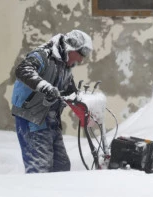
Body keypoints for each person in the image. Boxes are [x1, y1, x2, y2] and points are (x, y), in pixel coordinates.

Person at [11, 30, 93, 173]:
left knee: (61, 167)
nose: (81, 60)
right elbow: (23, 70)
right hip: (32, 119)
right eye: (80, 55)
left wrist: (86, 102)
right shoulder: (43, 55)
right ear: (71, 48)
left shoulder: (64, 65)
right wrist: (46, 88)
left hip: (51, 121)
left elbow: (70, 92)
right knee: (40, 170)